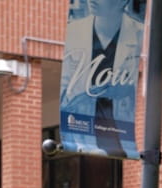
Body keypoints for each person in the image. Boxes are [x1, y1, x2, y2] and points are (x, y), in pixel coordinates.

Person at [59, 0, 143, 157]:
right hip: (82, 132)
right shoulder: (75, 32)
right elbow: (66, 93)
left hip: (120, 132)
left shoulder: (140, 35)